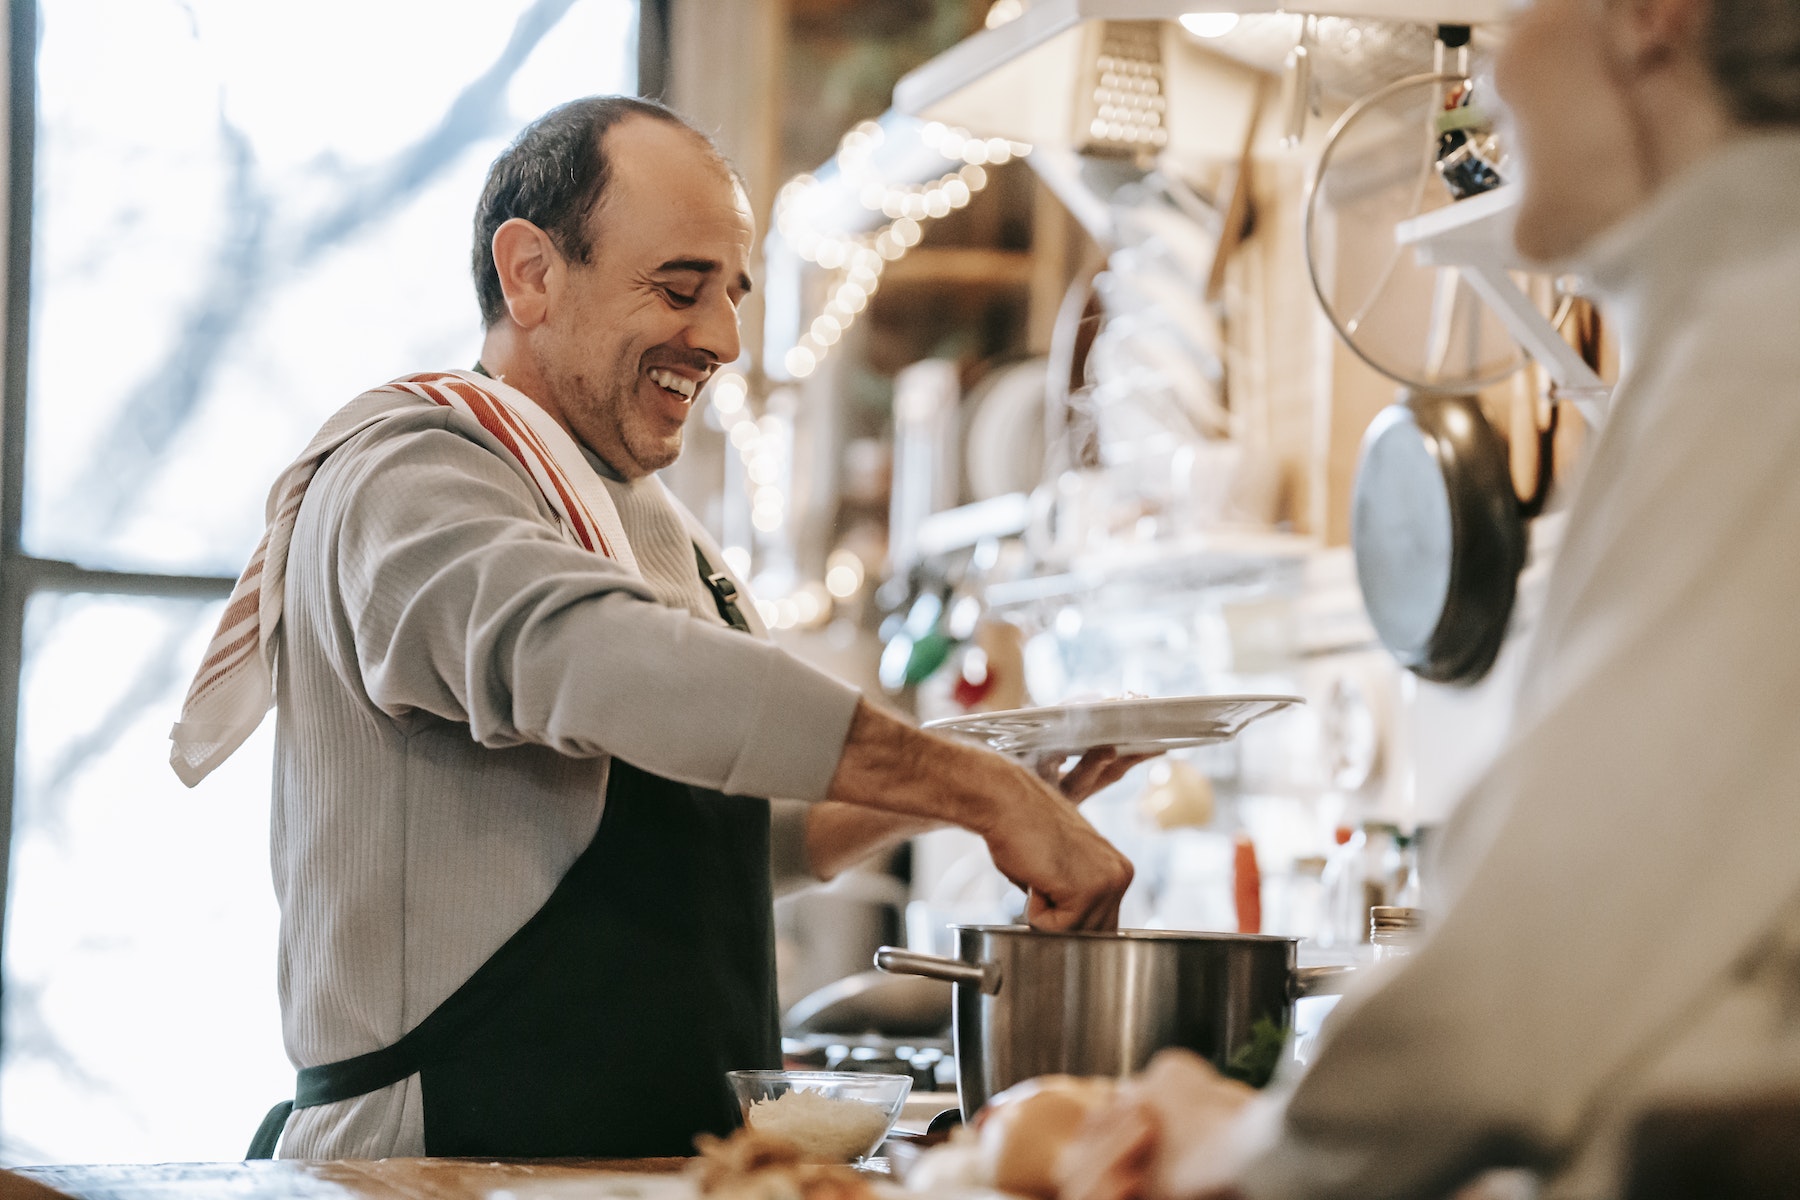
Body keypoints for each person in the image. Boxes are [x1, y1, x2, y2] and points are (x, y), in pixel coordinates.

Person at [168, 96, 1137, 1162]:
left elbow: (713, 837)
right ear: (531, 271)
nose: (721, 338)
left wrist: (968, 781)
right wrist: (976, 789)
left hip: (648, 1168)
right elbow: (603, 665)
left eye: (732, 295)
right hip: (436, 1164)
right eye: (680, 288)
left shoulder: (651, 523)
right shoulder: (412, 473)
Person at [1057, 0, 1800, 1197]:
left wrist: (1254, 1151)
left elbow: (1535, 977)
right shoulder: (1734, 339)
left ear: (1655, 18)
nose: (1493, 73)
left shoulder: (1766, 359)